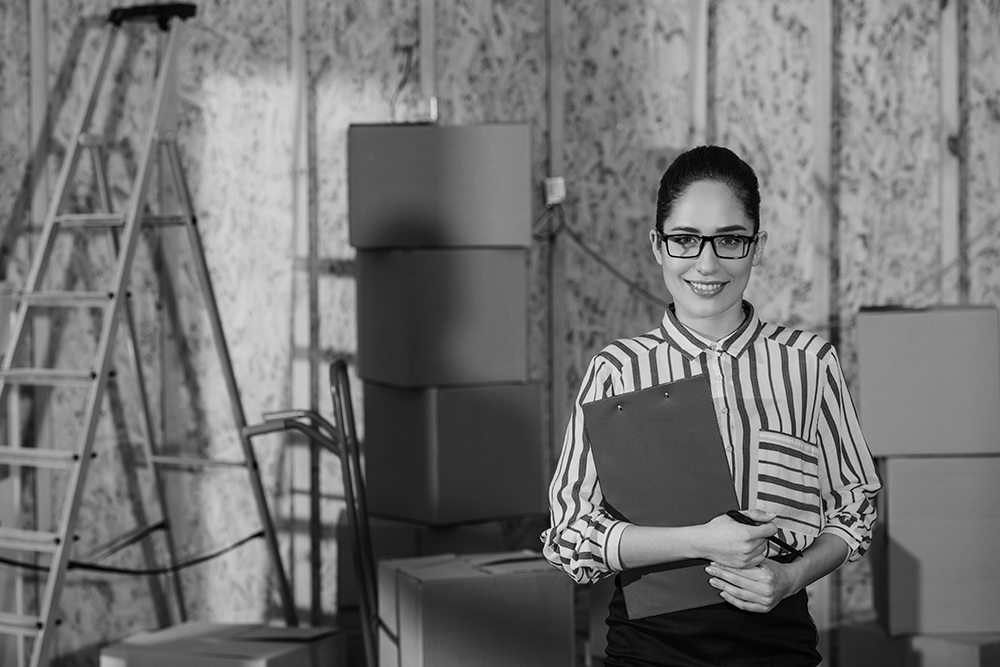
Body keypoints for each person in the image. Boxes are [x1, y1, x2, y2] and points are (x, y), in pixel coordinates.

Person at [541, 145, 881, 666]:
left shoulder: (810, 363)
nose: (707, 263)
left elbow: (854, 507)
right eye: (684, 240)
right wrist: (699, 541)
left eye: (730, 240)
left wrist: (791, 575)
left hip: (776, 648)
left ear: (757, 246)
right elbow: (570, 537)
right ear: (657, 245)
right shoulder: (616, 371)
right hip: (649, 650)